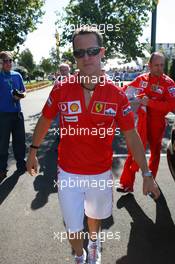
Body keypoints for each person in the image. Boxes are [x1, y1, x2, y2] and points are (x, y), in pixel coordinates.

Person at [26, 28, 160, 264]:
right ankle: (80, 255)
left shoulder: (116, 95)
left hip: (99, 172)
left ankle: (94, 243)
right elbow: (45, 119)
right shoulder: (61, 88)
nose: (86, 57)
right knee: (73, 228)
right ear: (75, 56)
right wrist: (33, 152)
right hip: (68, 173)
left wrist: (147, 173)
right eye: (80, 53)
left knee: (94, 218)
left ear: (102, 53)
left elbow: (132, 137)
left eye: (92, 51)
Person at [117, 52, 175, 192]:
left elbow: (171, 105)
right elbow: (125, 91)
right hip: (140, 122)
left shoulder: (169, 83)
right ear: (149, 65)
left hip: (157, 122)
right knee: (134, 150)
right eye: (156, 65)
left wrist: (150, 103)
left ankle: (151, 183)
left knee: (155, 153)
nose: (159, 68)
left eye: (162, 65)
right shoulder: (140, 79)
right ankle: (126, 184)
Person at [0, 51, 26, 183]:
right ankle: (2, 169)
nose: (8, 63)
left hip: (17, 114)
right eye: (5, 61)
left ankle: (21, 164)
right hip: (3, 115)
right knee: (2, 143)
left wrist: (19, 95)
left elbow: (24, 92)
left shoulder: (17, 75)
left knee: (20, 141)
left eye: (10, 60)